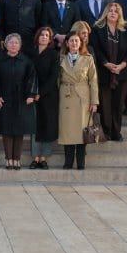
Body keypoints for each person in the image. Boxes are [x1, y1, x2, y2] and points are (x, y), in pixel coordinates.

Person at [90, 2, 127, 142]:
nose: (113, 13)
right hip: (104, 71)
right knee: (105, 104)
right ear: (106, 13)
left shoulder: (126, 29)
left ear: (120, 14)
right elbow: (95, 49)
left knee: (118, 103)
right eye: (110, 11)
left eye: (116, 11)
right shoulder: (97, 29)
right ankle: (106, 131)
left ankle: (116, 132)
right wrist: (106, 64)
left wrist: (122, 65)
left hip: (122, 72)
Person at [0, 34, 38, 170]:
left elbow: (32, 77)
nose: (13, 45)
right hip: (5, 98)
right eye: (11, 42)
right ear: (6, 45)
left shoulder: (26, 60)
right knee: (7, 130)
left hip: (22, 99)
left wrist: (31, 94)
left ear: (20, 45)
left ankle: (17, 159)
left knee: (19, 130)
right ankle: (8, 159)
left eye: (16, 43)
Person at [57, 33, 98, 170]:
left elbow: (93, 81)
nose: (74, 43)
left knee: (82, 130)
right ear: (67, 43)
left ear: (81, 43)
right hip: (66, 96)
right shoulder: (60, 58)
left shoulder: (88, 59)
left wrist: (94, 102)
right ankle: (68, 161)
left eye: (77, 41)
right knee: (67, 130)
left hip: (83, 97)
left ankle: (81, 162)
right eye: (71, 41)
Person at [27, 27, 60, 169]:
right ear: (37, 37)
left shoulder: (54, 54)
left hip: (49, 95)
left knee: (47, 126)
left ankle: (44, 158)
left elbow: (54, 76)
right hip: (32, 94)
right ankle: (35, 158)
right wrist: (32, 93)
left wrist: (41, 92)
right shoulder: (30, 53)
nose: (44, 37)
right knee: (35, 126)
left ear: (50, 39)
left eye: (47, 35)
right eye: (41, 35)